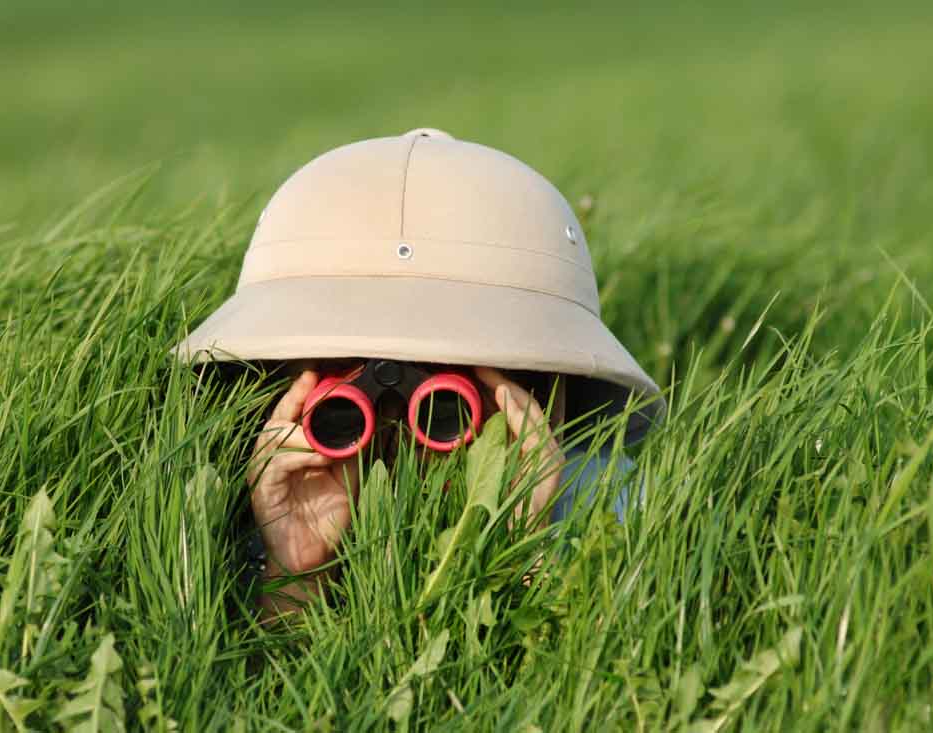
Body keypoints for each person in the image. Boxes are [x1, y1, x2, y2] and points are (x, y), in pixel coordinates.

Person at [172, 128, 663, 622]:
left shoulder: (608, 503)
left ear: (535, 385)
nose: (397, 419)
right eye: (345, 386)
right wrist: (295, 570)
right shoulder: (237, 504)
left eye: (444, 406)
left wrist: (519, 545)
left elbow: (583, 670)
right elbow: (240, 676)